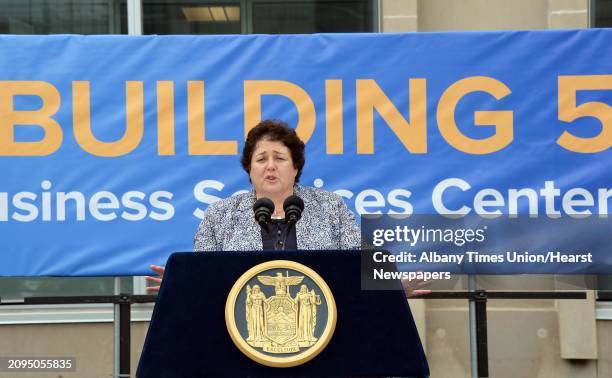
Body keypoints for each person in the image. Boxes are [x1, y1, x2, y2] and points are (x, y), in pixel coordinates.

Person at [147, 119, 361, 290]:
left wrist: (387, 278)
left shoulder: (331, 207)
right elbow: (205, 276)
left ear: (295, 166)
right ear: (249, 168)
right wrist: (181, 283)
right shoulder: (219, 215)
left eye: (279, 158)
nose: (270, 166)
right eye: (261, 159)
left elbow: (361, 264)